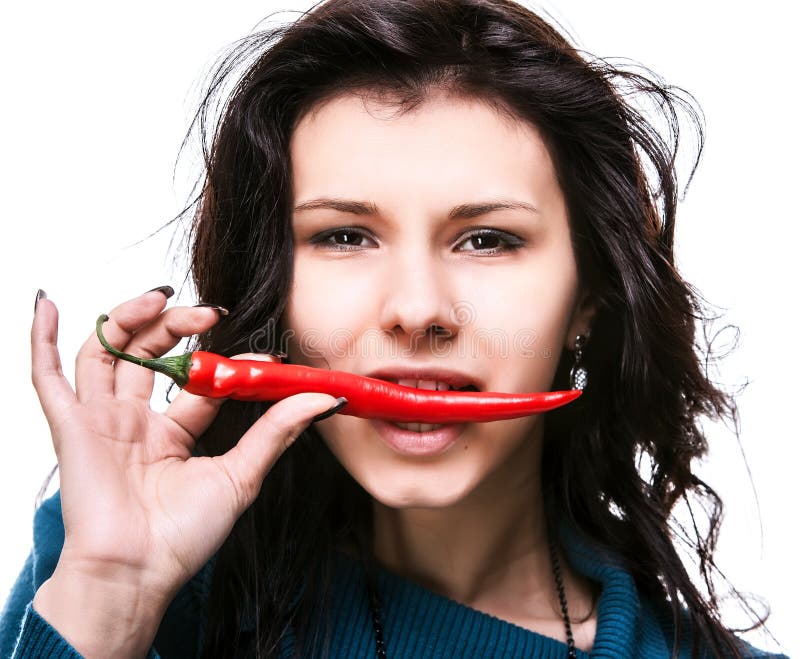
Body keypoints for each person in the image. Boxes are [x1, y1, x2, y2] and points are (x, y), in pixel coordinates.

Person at [0, 0, 789, 657]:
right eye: (344, 236)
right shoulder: (127, 571)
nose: (416, 309)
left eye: (488, 239)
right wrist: (109, 594)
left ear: (589, 296)